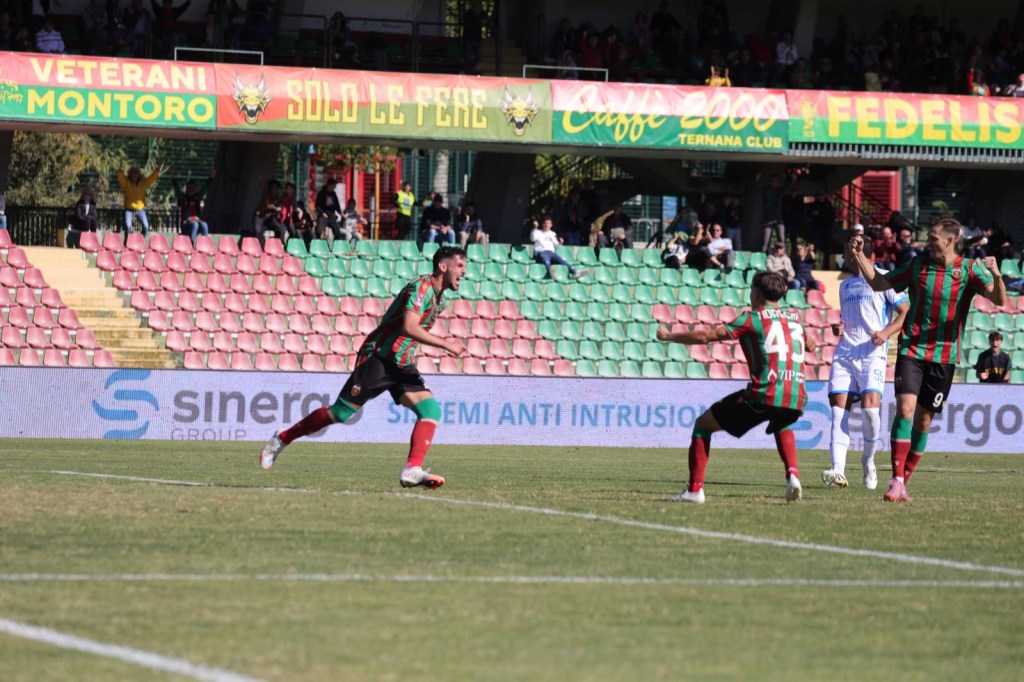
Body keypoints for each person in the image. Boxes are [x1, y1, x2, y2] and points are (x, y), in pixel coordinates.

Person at [259, 246, 468, 489]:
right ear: (443, 266)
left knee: (430, 410)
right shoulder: (422, 288)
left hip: (402, 365)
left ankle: (412, 469)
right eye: (460, 266)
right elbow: (409, 327)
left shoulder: (439, 299)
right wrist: (446, 344)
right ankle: (282, 438)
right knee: (340, 413)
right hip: (378, 357)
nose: (463, 272)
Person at [848, 216, 1006, 502]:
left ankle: (902, 483)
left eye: (933, 239)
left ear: (949, 240)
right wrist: (858, 255)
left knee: (923, 422)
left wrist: (996, 275)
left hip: (944, 357)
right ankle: (895, 480)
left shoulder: (970, 269)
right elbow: (879, 283)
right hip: (912, 349)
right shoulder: (917, 265)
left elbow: (999, 300)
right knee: (905, 411)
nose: (927, 243)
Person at [657, 270, 813, 503]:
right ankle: (793, 475)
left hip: (764, 392)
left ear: (758, 294)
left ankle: (694, 490)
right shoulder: (794, 319)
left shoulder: (751, 318)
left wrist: (670, 337)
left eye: (751, 290)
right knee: (782, 420)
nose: (750, 295)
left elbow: (706, 337)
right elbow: (810, 345)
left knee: (702, 425)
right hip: (797, 395)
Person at [822, 238, 909, 490]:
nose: (844, 258)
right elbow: (851, 319)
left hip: (873, 353)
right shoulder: (845, 285)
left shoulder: (884, 278)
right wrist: (840, 326)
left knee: (871, 412)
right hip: (846, 353)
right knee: (839, 411)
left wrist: (886, 332)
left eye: (847, 253)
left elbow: (905, 312)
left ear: (860, 254)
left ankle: (868, 461)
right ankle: (838, 470)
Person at [531, 215, 585, 279]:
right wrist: (535, 228)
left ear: (551, 225)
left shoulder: (553, 233)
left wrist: (560, 242)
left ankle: (575, 272)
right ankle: (551, 273)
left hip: (551, 253)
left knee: (562, 261)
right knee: (546, 261)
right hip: (542, 252)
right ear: (542, 224)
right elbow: (532, 239)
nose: (546, 225)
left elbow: (556, 245)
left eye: (548, 223)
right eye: (545, 223)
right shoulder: (537, 232)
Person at [117, 160, 161, 237]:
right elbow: (120, 177)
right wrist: (120, 168)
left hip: (140, 209)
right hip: (129, 208)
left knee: (146, 226)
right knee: (128, 226)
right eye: (132, 173)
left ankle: (140, 241)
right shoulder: (126, 183)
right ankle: (128, 242)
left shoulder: (144, 182)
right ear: (130, 174)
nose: (134, 175)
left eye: (136, 173)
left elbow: (152, 178)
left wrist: (157, 169)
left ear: (139, 174)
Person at [170, 167, 214, 245]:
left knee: (204, 224)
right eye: (189, 188)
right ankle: (190, 245)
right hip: (186, 224)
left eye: (193, 188)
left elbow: (205, 188)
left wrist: (211, 177)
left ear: (195, 189)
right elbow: (176, 188)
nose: (191, 189)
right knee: (195, 224)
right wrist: (172, 175)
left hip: (196, 221)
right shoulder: (183, 198)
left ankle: (205, 245)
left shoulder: (197, 197)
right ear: (186, 189)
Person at [760, 174, 786, 252]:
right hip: (768, 219)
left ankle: (782, 257)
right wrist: (758, 180)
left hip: (778, 219)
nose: (774, 183)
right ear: (770, 182)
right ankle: (763, 257)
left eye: (776, 182)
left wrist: (793, 180)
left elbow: (787, 188)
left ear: (778, 183)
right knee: (766, 240)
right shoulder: (766, 191)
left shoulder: (779, 191)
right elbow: (760, 188)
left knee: (781, 238)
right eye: (773, 182)